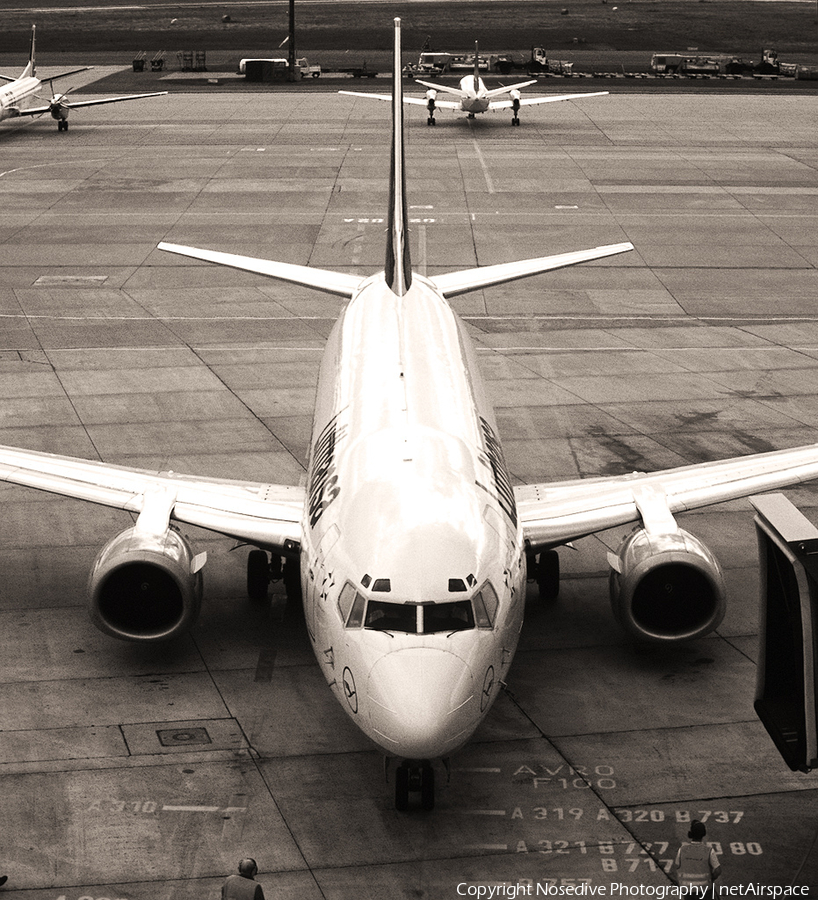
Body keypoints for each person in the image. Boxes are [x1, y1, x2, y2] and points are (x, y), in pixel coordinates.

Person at [674, 820, 721, 896]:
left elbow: (677, 867)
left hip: (687, 890)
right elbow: (718, 870)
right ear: (703, 834)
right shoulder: (709, 851)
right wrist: (711, 878)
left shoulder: (682, 850)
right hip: (705, 890)